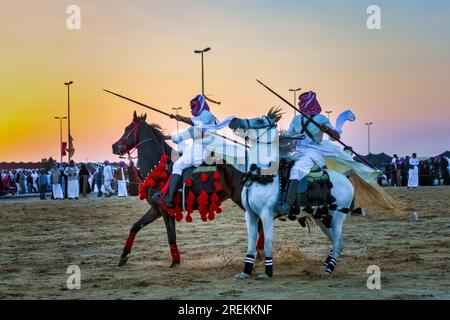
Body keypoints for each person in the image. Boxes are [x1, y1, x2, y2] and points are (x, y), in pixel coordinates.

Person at [278, 91, 380, 214]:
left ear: (309, 103)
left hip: (313, 150)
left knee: (297, 170)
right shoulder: (296, 119)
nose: (299, 104)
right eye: (299, 102)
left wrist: (326, 129)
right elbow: (289, 135)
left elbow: (335, 137)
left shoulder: (321, 118)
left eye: (302, 102)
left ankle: (287, 204)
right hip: (298, 150)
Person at [155, 94, 218, 208]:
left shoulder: (206, 115)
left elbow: (196, 122)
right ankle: (170, 193)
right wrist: (167, 137)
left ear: (200, 105)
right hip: (199, 150)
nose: (191, 109)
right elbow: (185, 134)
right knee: (177, 164)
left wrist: (182, 118)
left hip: (204, 151)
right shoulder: (198, 121)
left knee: (178, 166)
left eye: (193, 106)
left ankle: (169, 197)